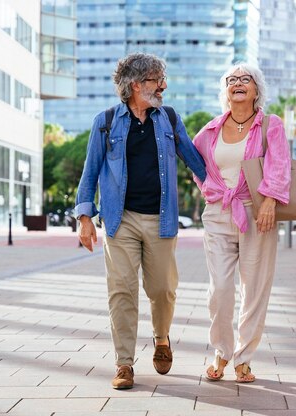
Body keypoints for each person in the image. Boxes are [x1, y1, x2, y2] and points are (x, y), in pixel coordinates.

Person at [75, 53, 206, 390]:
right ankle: (124, 363)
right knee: (122, 290)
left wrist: (226, 190)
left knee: (162, 289)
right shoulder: (105, 121)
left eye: (162, 79)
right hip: (121, 221)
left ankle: (161, 338)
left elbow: (195, 159)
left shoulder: (170, 119)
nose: (163, 86)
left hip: (161, 219)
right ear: (135, 85)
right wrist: (84, 216)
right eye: (155, 80)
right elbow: (90, 171)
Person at [192, 63, 291, 383]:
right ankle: (221, 350)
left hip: (259, 212)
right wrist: (211, 190)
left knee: (255, 289)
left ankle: (243, 358)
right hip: (219, 213)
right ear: (225, 90)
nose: (237, 83)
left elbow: (280, 165)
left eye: (244, 79)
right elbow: (198, 166)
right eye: (231, 80)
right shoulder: (208, 131)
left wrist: (271, 202)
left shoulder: (270, 125)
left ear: (256, 89)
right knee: (220, 288)